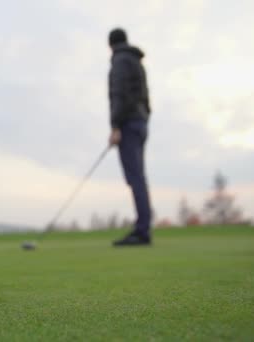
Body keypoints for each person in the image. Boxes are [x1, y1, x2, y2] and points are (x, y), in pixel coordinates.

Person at [107, 28, 153, 246]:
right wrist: (144, 119)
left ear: (111, 45)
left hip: (128, 124)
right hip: (141, 122)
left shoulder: (120, 61)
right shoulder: (136, 61)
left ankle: (142, 231)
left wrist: (116, 126)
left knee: (135, 178)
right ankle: (143, 227)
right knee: (139, 177)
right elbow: (145, 97)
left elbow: (118, 94)